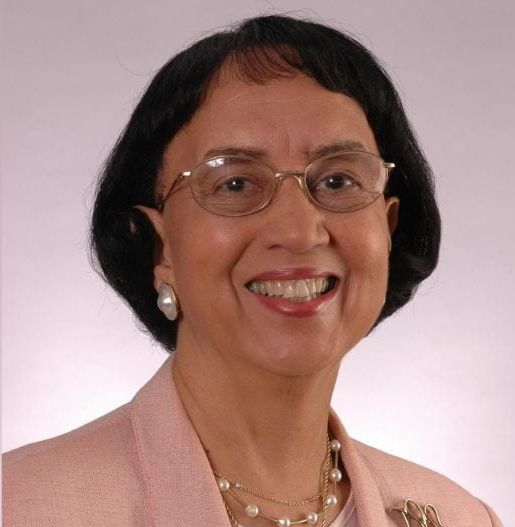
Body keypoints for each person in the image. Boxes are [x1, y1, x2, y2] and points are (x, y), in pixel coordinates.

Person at [2, 14, 503, 527]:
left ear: (388, 229)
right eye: (235, 184)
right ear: (159, 247)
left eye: (337, 181)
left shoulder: (462, 517)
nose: (300, 231)